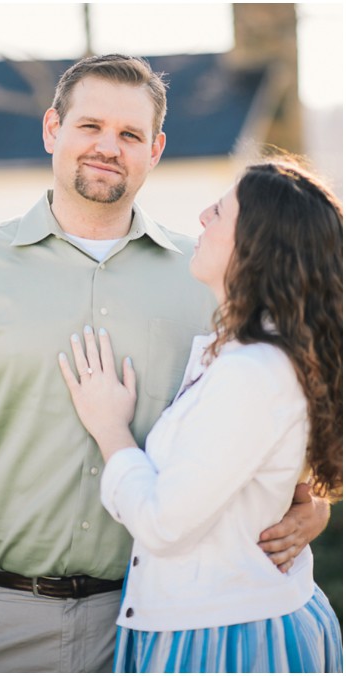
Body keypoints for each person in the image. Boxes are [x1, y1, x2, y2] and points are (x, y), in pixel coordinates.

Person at [0, 54, 331, 672]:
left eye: (129, 135)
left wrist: (308, 500)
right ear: (52, 130)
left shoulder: (210, 280)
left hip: (152, 629)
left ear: (154, 150)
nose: (108, 148)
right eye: (89, 127)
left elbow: (269, 414)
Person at [58, 158, 342, 672]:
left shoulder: (254, 370)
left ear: (256, 247)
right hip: (222, 617)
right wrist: (310, 506)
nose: (202, 216)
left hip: (224, 638)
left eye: (220, 210)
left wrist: (110, 429)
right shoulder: (246, 352)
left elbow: (165, 524)